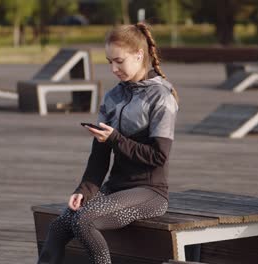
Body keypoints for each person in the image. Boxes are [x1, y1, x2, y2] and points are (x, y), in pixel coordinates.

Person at [37, 22, 179, 264]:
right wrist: (84, 190)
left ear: (139, 55)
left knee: (84, 221)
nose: (113, 68)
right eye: (109, 61)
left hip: (150, 192)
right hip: (116, 188)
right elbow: (99, 156)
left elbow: (158, 156)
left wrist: (114, 138)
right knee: (59, 227)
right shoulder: (113, 96)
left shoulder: (161, 97)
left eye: (119, 61)